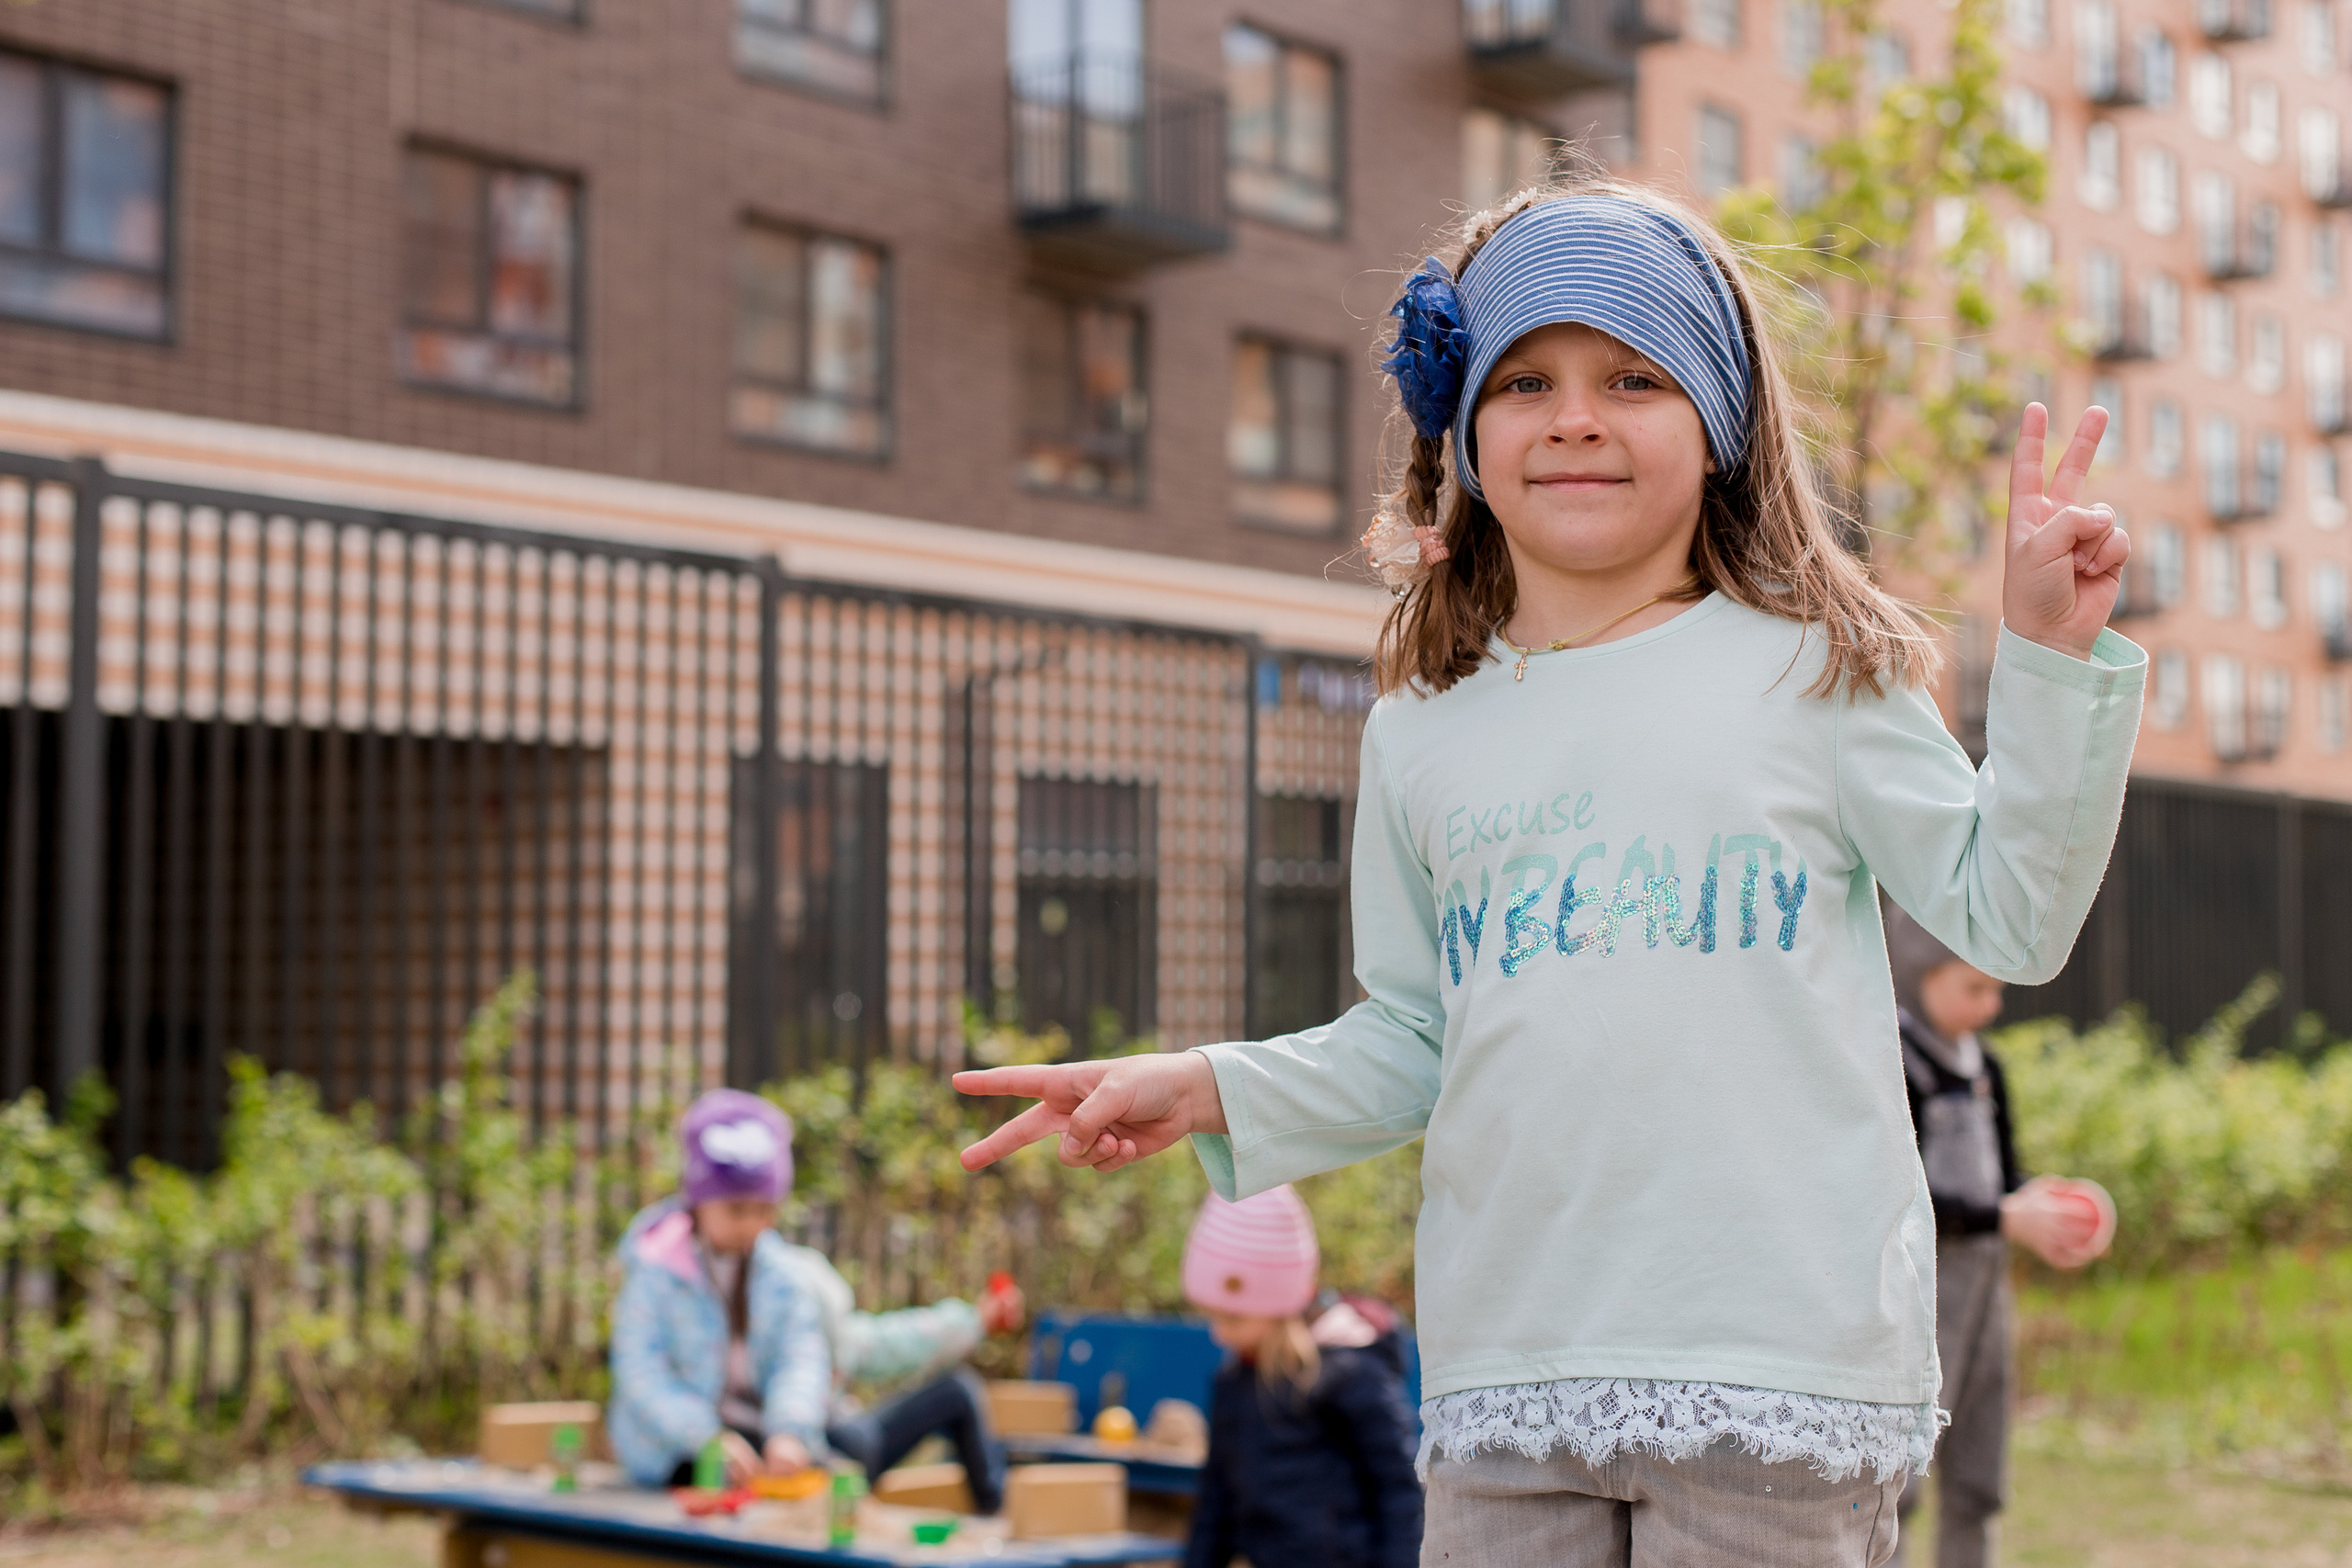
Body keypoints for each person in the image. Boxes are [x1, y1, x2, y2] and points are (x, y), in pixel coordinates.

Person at [955, 172, 2144, 1567]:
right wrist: (1211, 1081)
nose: (1576, 413)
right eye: (1525, 381)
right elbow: (1414, 1036)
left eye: (1633, 373)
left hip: (1779, 1377)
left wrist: (2052, 657)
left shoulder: (1827, 669)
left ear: (1718, 425)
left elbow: (2013, 912)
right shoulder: (1420, 727)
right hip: (1508, 1377)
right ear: (1461, 433)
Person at [1883, 903, 2113, 1568]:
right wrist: (2006, 1216)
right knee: (1900, 1479)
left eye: (1998, 989)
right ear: (1921, 975)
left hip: (1988, 1298)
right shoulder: (1897, 1064)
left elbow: (2005, 1176)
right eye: (1974, 987)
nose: (1990, 1005)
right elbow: (1907, 1194)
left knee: (1979, 1472)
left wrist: (2043, 1205)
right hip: (1921, 1305)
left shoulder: (1989, 1069)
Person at [1181, 1186, 1422, 1568]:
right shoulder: (1233, 1383)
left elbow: (1398, 1490)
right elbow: (1217, 1499)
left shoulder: (1350, 1373)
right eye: (1212, 1315)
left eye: (1233, 1318)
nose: (1219, 1333)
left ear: (1278, 1306)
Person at [607, 1089, 831, 1488]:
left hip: (755, 1439)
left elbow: (800, 1355)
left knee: (838, 1455)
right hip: (676, 1452)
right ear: (696, 1200)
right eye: (735, 1210)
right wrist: (704, 1437)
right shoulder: (657, 1269)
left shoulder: (780, 1274)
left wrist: (790, 1429)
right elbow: (641, 1373)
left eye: (764, 1209)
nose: (750, 1224)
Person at [776, 1236, 1025, 1514]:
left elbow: (893, 1342)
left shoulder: (809, 1296)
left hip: (849, 1439)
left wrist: (976, 1319)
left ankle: (996, 1514)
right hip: (815, 1458)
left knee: (957, 1389)